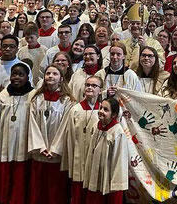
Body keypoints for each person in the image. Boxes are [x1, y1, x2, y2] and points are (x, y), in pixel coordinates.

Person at [0, 62, 35, 203]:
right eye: (14, 74)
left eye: (21, 74)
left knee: (22, 176)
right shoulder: (2, 96)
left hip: (25, 145)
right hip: (6, 143)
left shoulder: (33, 96)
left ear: (27, 77)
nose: (17, 77)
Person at [28, 64, 74, 204]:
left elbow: (66, 127)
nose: (50, 76)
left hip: (56, 154)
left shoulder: (67, 101)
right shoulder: (37, 99)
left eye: (54, 74)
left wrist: (55, 149)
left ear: (61, 79)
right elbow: (32, 124)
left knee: (55, 190)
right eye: (48, 73)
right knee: (38, 188)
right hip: (40, 152)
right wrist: (41, 147)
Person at [55, 75, 103, 203]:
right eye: (87, 85)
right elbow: (69, 136)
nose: (90, 88)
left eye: (94, 86)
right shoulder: (75, 110)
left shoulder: (103, 111)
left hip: (96, 157)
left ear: (101, 90)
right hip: (79, 156)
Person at [82, 97, 128, 203]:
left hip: (108, 178)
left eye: (106, 110)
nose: (101, 111)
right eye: (101, 107)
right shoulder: (95, 126)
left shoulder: (117, 132)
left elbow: (119, 161)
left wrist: (115, 184)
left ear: (114, 115)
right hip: (95, 173)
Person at [0, 35, 25, 110]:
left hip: (17, 110)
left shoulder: (24, 67)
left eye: (12, 46)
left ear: (17, 49)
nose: (8, 49)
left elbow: (27, 93)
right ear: (0, 48)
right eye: (4, 46)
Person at [123, 4, 164, 71]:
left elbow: (161, 64)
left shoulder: (155, 44)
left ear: (145, 25)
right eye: (132, 23)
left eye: (138, 23)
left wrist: (146, 48)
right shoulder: (123, 43)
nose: (135, 26)